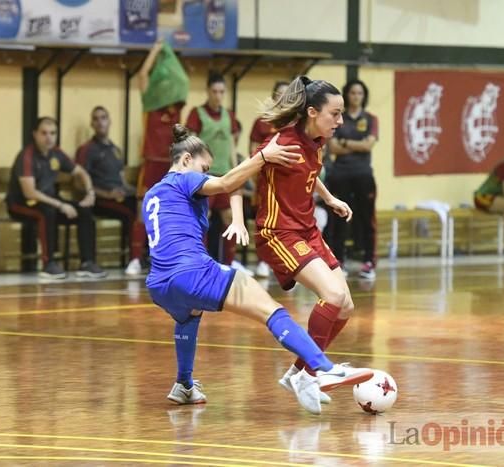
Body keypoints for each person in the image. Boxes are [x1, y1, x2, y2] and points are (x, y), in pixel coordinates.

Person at [143, 124, 372, 415]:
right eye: (204, 167)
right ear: (186, 160)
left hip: (159, 283)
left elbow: (230, 185)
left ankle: (184, 385)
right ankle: (321, 368)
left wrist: (237, 216)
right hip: (192, 271)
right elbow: (226, 184)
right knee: (271, 310)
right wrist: (263, 156)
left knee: (189, 316)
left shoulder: (153, 193)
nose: (205, 174)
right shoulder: (185, 179)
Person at [252, 75, 358, 400]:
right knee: (332, 296)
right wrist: (262, 159)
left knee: (346, 306)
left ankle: (299, 373)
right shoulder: (282, 144)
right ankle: (314, 371)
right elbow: (247, 169)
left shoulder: (316, 140)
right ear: (312, 112)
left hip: (307, 229)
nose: (340, 121)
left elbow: (308, 172)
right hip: (279, 232)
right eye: (335, 114)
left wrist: (328, 198)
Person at [6, 117, 106, 279]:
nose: (49, 138)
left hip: (49, 200)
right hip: (20, 204)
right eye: (44, 133)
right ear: (35, 135)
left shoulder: (56, 154)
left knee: (84, 211)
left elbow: (81, 172)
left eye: (53, 133)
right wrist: (60, 205)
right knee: (47, 213)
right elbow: (30, 193)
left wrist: (90, 192)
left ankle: (87, 262)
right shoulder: (27, 156)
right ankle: (48, 263)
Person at [75, 106, 146, 275]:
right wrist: (106, 194)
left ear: (109, 121)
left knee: (146, 207)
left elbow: (122, 181)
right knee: (132, 213)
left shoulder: (116, 150)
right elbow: (78, 183)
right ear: (92, 124)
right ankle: (135, 258)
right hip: (100, 198)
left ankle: (145, 256)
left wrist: (139, 193)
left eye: (104, 117)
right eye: (96, 118)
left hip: (119, 196)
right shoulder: (87, 149)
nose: (100, 122)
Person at [186, 71, 244, 271]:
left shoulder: (229, 115)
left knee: (229, 217)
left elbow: (231, 145)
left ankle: (229, 262)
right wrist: (193, 173)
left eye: (221, 92)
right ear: (207, 91)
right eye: (214, 91)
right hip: (205, 176)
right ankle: (199, 262)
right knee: (204, 217)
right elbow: (190, 145)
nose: (218, 96)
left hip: (226, 174)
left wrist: (237, 170)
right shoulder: (197, 113)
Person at [327, 79, 379, 279]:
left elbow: (368, 146)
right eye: (353, 93)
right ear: (346, 95)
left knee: (367, 218)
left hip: (363, 174)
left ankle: (368, 262)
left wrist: (346, 142)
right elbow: (332, 148)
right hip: (341, 174)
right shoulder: (338, 118)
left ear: (364, 96)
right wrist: (358, 143)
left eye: (360, 93)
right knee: (339, 218)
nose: (356, 96)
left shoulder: (371, 119)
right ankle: (339, 261)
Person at [137, 39, 189, 199]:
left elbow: (182, 80)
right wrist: (155, 50)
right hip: (152, 161)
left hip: (172, 163)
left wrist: (170, 56)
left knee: (169, 205)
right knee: (145, 204)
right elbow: (142, 74)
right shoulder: (149, 104)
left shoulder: (178, 106)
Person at [250, 80, 289, 278]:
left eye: (287, 95)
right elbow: (253, 152)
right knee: (265, 220)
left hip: (289, 182)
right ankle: (262, 262)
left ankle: (286, 264)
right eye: (279, 95)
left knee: (287, 222)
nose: (283, 99)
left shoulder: (294, 124)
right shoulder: (261, 122)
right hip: (266, 179)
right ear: (273, 97)